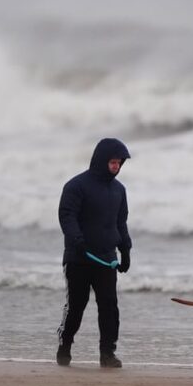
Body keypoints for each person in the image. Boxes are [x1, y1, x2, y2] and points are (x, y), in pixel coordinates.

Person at [56, 138, 132, 368]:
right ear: (101, 161)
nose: (116, 167)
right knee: (76, 307)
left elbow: (121, 223)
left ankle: (107, 354)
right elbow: (66, 216)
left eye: (119, 163)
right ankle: (65, 345)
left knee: (109, 307)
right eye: (113, 162)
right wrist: (76, 240)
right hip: (79, 258)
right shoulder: (76, 186)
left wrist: (125, 249)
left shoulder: (119, 190)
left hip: (106, 258)